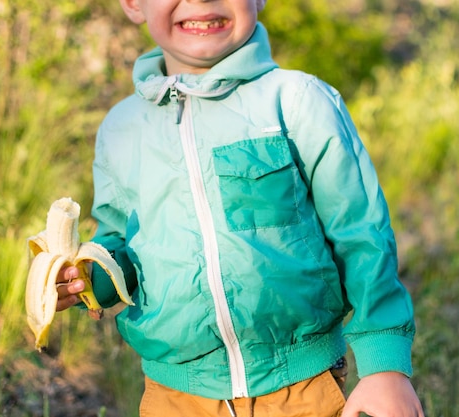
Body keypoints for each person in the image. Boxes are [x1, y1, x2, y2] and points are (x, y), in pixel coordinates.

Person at [55, 0, 425, 416]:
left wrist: (384, 366)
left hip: (302, 388)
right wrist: (91, 277)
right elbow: (124, 243)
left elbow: (361, 234)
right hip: (175, 395)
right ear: (133, 4)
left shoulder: (298, 101)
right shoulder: (120, 129)